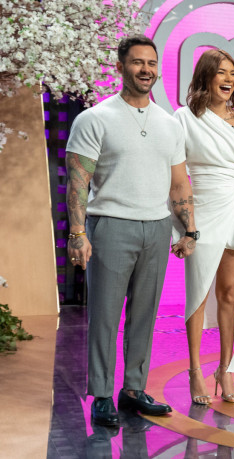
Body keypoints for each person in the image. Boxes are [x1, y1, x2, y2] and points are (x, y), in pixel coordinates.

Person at [65, 35, 196, 426]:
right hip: (110, 228)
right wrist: (77, 233)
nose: (146, 70)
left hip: (157, 230)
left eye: (151, 63)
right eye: (137, 63)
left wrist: (189, 230)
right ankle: (102, 393)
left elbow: (179, 184)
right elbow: (77, 183)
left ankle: (133, 389)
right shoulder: (94, 118)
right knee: (105, 316)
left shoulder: (168, 123)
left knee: (144, 315)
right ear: (121, 67)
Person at [173, 49, 234, 405]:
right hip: (203, 210)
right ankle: (195, 370)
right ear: (206, 77)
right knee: (197, 291)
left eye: (233, 74)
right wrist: (185, 224)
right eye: (221, 73)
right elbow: (177, 174)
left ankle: (224, 368)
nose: (229, 79)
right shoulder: (184, 118)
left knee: (229, 292)